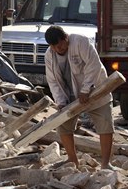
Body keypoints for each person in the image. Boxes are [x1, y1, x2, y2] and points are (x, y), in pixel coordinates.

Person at [44, 25, 114, 170]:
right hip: (70, 95)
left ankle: (106, 163)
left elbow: (93, 65)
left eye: (61, 44)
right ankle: (72, 160)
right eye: (54, 47)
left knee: (105, 123)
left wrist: (86, 89)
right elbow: (52, 81)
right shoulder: (49, 55)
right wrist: (61, 102)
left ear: (66, 38)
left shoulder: (81, 42)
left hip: (95, 90)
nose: (59, 49)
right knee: (63, 125)